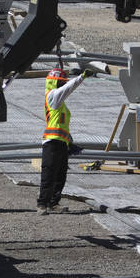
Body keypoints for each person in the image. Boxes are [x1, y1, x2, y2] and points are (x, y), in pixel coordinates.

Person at [37, 67, 93, 215]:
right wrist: (81, 77)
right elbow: (69, 89)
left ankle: (53, 203)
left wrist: (69, 141)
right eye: (60, 83)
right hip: (51, 142)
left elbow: (62, 125)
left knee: (60, 175)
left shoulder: (61, 105)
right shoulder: (53, 96)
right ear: (54, 83)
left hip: (61, 143)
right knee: (49, 174)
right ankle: (42, 204)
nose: (62, 85)